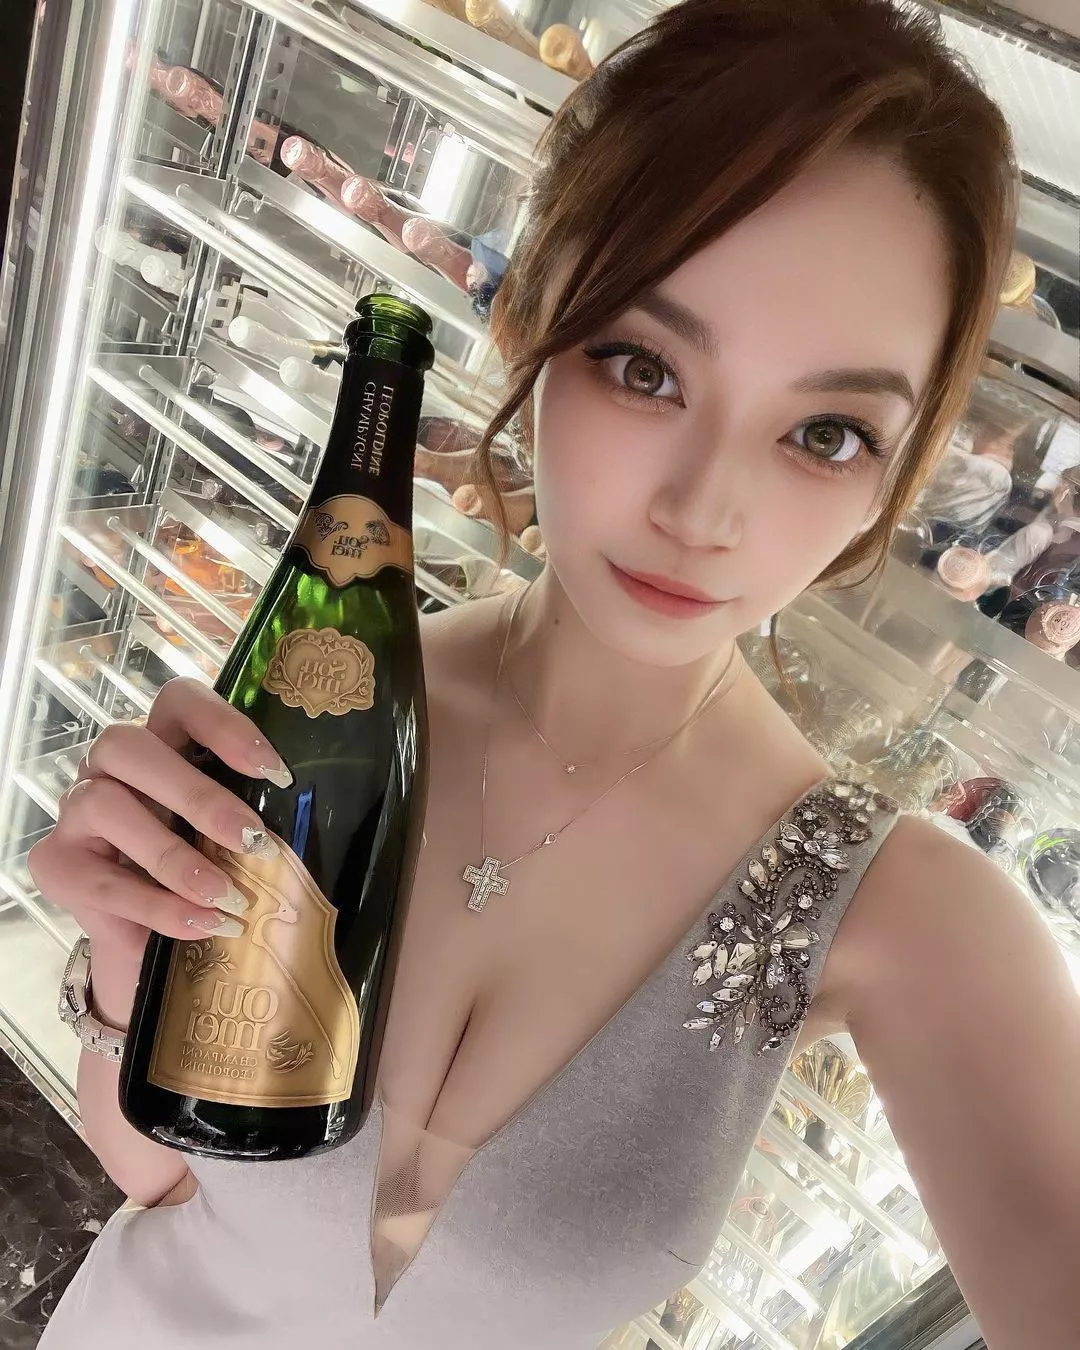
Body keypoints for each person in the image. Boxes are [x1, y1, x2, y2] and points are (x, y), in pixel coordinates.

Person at [28, 0, 1079, 1346]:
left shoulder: (906, 920)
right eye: (644, 367)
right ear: (529, 318)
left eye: (824, 433)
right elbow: (160, 1183)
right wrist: (126, 969)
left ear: (896, 476)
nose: (703, 510)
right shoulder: (316, 714)